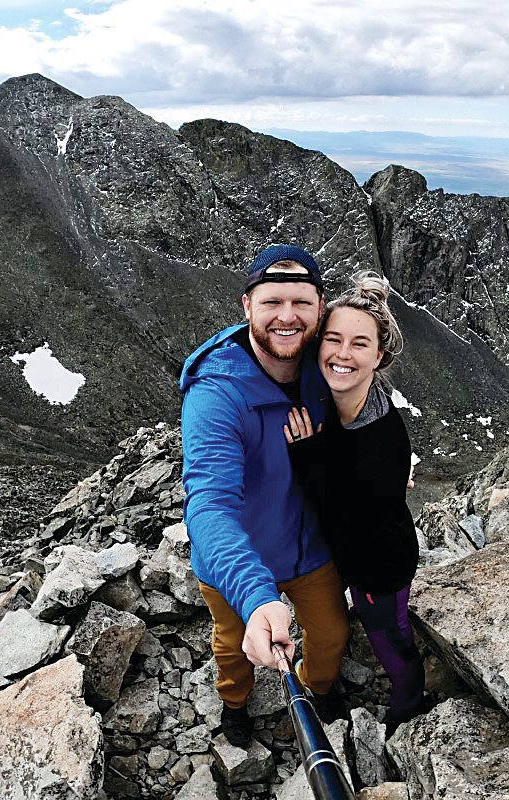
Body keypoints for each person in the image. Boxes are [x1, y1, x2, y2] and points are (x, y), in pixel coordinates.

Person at [180, 244, 350, 747]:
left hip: (308, 547)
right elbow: (208, 504)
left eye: (301, 303)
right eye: (273, 302)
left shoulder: (329, 367)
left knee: (331, 634)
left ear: (320, 308)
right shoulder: (216, 394)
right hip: (239, 557)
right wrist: (257, 597)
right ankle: (235, 702)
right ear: (247, 306)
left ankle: (319, 687)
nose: (287, 316)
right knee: (234, 644)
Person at [284, 271, 425, 735]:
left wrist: (308, 455)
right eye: (333, 339)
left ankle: (409, 704)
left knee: (389, 637)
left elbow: (340, 511)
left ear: (379, 356)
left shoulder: (379, 443)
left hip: (378, 568)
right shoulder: (343, 400)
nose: (343, 354)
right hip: (358, 555)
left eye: (360, 344)